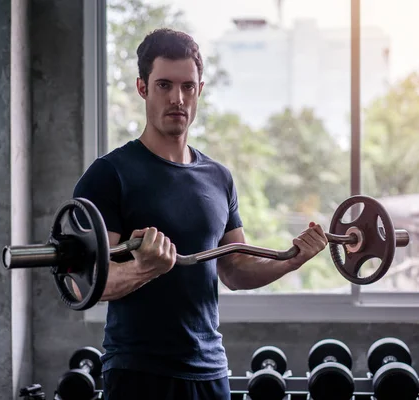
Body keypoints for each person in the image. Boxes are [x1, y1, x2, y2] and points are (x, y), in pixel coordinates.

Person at [72, 28, 329, 400]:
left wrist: (292, 260)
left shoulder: (218, 177)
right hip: (139, 372)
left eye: (187, 87)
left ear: (200, 90)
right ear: (142, 88)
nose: (177, 99)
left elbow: (236, 270)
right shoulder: (109, 174)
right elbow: (86, 284)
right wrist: (145, 267)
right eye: (164, 85)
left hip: (210, 370)